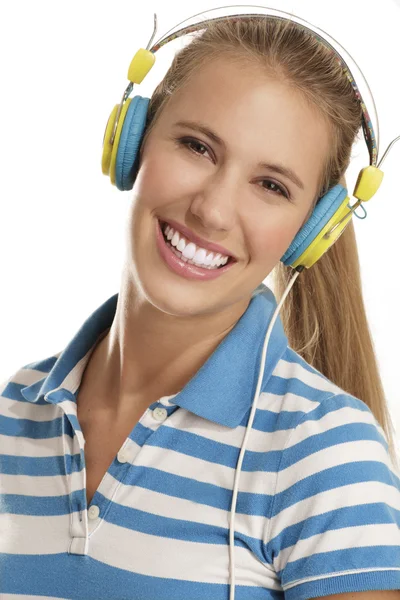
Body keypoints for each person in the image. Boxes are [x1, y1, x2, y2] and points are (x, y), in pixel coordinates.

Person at [1, 14, 399, 600]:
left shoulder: (326, 455)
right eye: (197, 146)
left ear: (312, 230)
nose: (212, 211)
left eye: (272, 186)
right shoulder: (13, 415)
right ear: (129, 141)